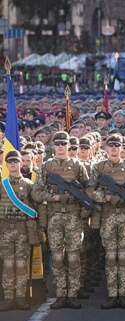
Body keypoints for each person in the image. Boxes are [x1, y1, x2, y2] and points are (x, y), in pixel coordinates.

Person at [32, 131, 90, 310]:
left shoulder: (78, 166)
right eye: (57, 144)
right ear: (53, 146)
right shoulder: (47, 167)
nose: (61, 147)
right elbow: (36, 192)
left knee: (73, 257)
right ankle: (61, 294)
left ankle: (72, 294)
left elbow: (88, 193)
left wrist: (84, 213)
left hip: (73, 217)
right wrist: (54, 197)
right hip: (55, 217)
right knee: (57, 257)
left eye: (64, 144)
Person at [88, 134, 125, 309]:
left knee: (124, 256)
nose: (114, 148)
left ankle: (123, 294)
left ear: (123, 147)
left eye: (118, 145)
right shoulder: (99, 168)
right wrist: (107, 197)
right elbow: (90, 190)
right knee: (110, 256)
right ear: (105, 147)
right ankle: (112, 294)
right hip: (108, 216)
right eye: (111, 145)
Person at [0, 151, 39, 311]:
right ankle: (9, 298)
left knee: (22, 264)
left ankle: (21, 297)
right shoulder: (2, 185)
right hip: (5, 228)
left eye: (16, 162)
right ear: (6, 165)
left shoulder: (30, 185)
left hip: (23, 229)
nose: (13, 165)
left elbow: (37, 207)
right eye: (10, 162)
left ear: (21, 164)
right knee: (8, 264)